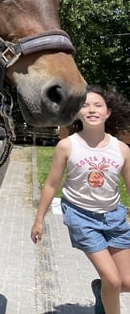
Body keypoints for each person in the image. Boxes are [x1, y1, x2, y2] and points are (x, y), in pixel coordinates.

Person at [32, 85, 130, 314]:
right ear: (76, 112)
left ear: (108, 113)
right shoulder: (67, 145)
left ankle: (100, 290)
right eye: (85, 105)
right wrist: (39, 220)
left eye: (98, 105)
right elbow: (51, 184)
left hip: (114, 217)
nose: (92, 109)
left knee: (125, 283)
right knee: (113, 281)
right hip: (81, 217)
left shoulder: (122, 149)